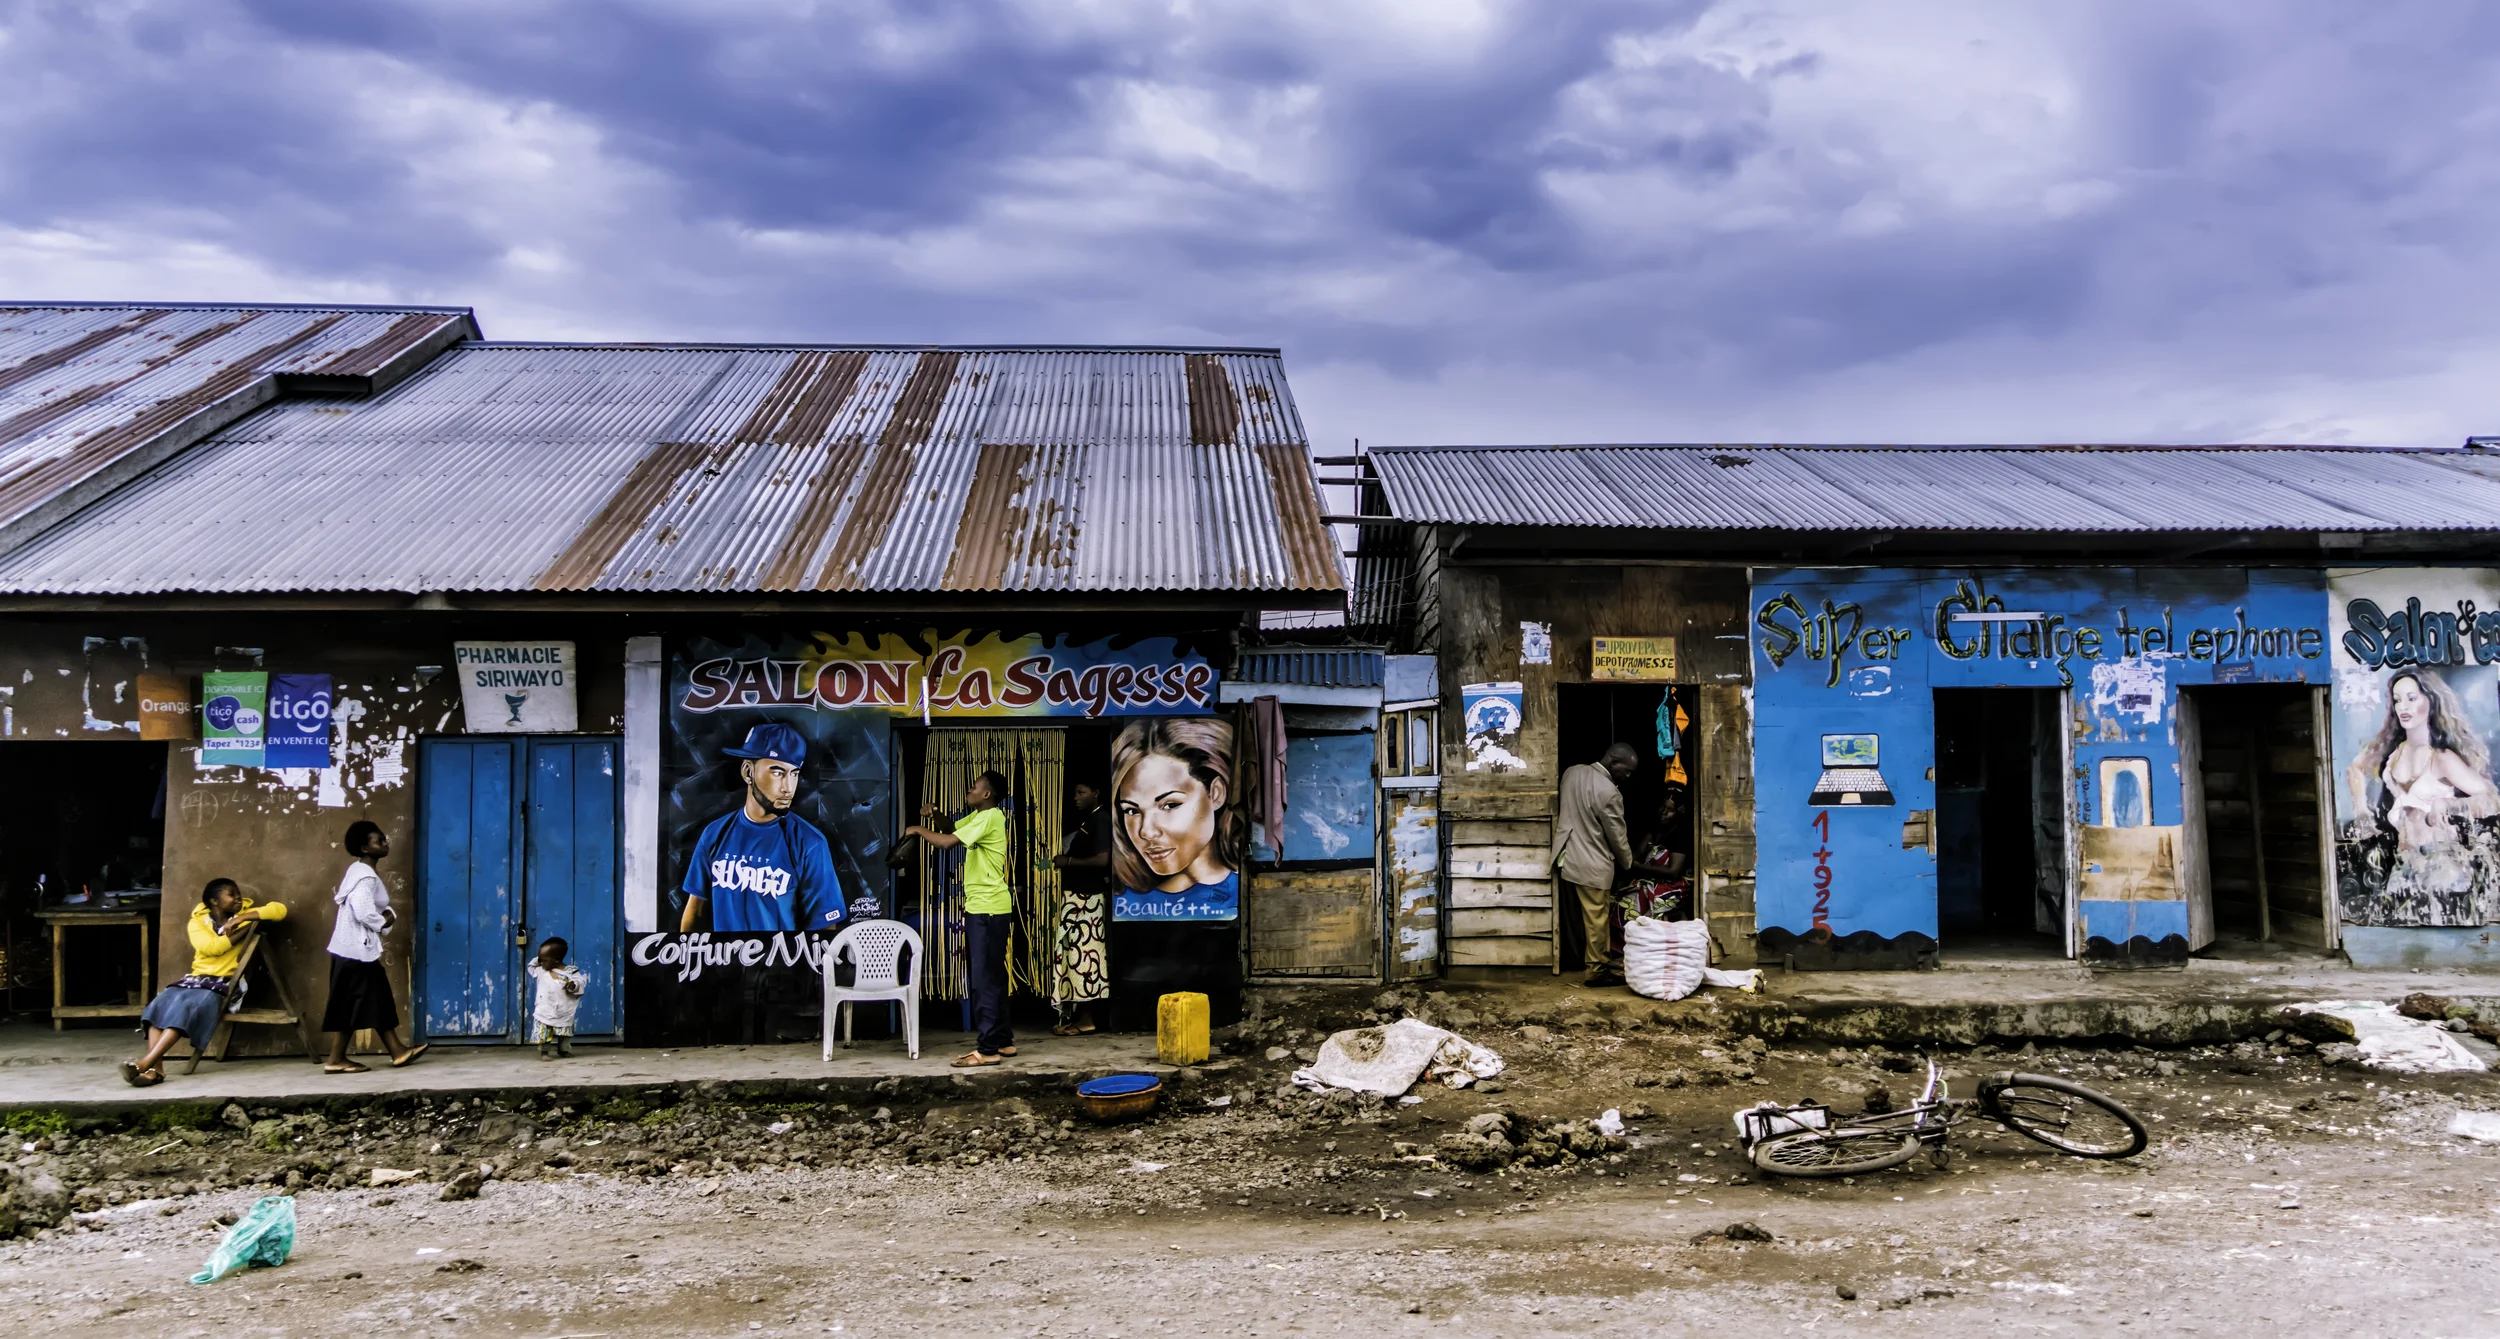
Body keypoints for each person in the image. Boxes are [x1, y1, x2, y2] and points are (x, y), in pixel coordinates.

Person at [2343, 668, 2500, 923]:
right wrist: (2361, 812)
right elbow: (2355, 769)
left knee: (2441, 931)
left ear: (2431, 700)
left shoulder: (2442, 758)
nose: (2403, 707)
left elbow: (2493, 799)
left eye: (2412, 698)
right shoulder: (2395, 753)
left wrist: (2449, 805)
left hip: (2442, 862)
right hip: (2405, 864)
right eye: (2397, 700)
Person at [680, 722, 846, 933]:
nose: (788, 788)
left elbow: (824, 929)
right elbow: (695, 912)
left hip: (782, 955)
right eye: (778, 773)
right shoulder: (714, 834)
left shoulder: (810, 843)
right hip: (724, 955)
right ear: (748, 772)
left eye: (794, 774)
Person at [122, 879, 286, 1086]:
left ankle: (145, 1064)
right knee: (157, 1007)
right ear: (214, 901)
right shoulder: (197, 922)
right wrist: (245, 929)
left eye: (238, 893)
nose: (238, 898)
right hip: (196, 979)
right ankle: (156, 1069)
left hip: (225, 982)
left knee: (185, 1010)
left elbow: (280, 910)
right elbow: (212, 948)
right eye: (231, 894)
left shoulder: (244, 914)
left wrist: (241, 919)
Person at [906, 770, 1015, 1067]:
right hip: (990, 907)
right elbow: (952, 829)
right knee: (993, 975)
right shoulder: (982, 817)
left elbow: (946, 842)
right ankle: (1003, 1041)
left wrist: (917, 830)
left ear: (987, 794)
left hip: (987, 908)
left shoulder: (989, 817)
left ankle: (988, 1050)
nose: (969, 790)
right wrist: (936, 815)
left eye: (974, 787)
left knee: (983, 979)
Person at [1109, 717, 1246, 920]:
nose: (1146, 831)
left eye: (1170, 805)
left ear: (1216, 793)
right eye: (1131, 811)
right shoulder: (1126, 903)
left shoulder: (1250, 888)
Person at [323, 820, 422, 1073]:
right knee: (363, 1001)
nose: (385, 843)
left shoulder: (359, 871)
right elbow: (364, 911)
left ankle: (394, 1051)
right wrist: (385, 921)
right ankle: (339, 1059)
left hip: (351, 949)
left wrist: (384, 918)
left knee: (368, 999)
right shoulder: (365, 876)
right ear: (364, 847)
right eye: (379, 840)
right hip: (356, 951)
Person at [1555, 743, 1639, 987]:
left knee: (1573, 918)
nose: (1628, 776)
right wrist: (1629, 864)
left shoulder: (1571, 773)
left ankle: (1573, 960)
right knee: (1596, 920)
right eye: (1626, 770)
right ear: (1613, 761)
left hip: (1566, 858)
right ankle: (1596, 971)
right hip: (1592, 864)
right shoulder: (1610, 793)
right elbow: (1617, 837)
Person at [1049, 780, 1112, 1035]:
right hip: (1079, 898)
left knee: (1084, 957)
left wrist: (1068, 861)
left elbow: (1102, 860)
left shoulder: (1100, 820)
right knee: (1076, 956)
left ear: (1096, 793)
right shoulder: (1091, 820)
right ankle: (1079, 1017)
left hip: (1087, 900)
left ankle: (1086, 1020)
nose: (1076, 797)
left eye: (1081, 792)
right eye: (1075, 792)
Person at [528, 936, 587, 1060]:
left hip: (563, 1009)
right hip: (544, 1009)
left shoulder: (570, 971)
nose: (541, 963)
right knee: (544, 1032)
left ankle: (563, 1050)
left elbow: (580, 981)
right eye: (540, 960)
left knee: (564, 1032)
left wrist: (573, 985)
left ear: (556, 960)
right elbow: (531, 966)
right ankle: (544, 1052)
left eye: (544, 960)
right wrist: (539, 959)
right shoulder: (540, 970)